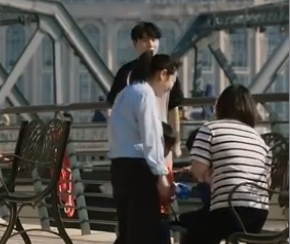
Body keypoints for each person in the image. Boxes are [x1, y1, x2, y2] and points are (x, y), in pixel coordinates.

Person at [182, 85, 272, 244]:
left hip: (229, 209)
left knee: (193, 234)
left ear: (220, 106)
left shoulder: (210, 129)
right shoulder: (260, 140)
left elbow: (197, 171)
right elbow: (267, 182)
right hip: (258, 212)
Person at [108, 51, 179, 244]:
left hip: (119, 165)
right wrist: (161, 175)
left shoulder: (124, 93)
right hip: (138, 169)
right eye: (172, 81)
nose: (170, 88)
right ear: (162, 74)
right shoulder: (145, 94)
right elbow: (151, 136)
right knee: (145, 229)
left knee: (127, 230)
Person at [106, 22, 184, 153]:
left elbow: (173, 108)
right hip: (133, 140)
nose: (150, 44)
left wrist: (176, 142)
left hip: (162, 139)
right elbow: (114, 106)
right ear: (135, 43)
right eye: (145, 40)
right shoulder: (126, 72)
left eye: (154, 39)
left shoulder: (168, 68)